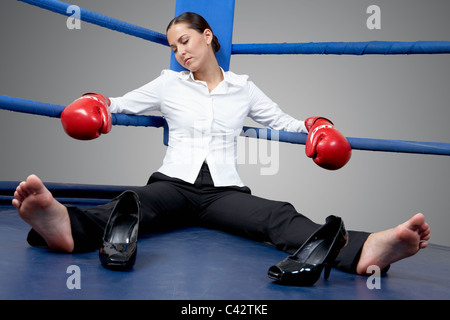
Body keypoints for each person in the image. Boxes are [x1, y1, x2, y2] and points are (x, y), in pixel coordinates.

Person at [12, 12, 430, 278]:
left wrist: (317, 127)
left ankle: (365, 249)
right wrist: (95, 104)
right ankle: (63, 226)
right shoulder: (167, 83)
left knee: (277, 215)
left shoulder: (244, 89)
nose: (179, 52)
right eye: (174, 46)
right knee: (132, 203)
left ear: (207, 36)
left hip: (223, 192)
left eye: (185, 41)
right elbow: (116, 103)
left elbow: (281, 121)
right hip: (172, 184)